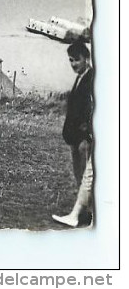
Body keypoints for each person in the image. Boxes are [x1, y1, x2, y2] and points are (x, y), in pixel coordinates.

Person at [52, 39, 94, 227]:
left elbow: (91, 109)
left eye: (76, 60)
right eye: (70, 60)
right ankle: (86, 212)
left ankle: (84, 213)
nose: (73, 64)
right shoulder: (81, 77)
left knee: (87, 175)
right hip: (75, 137)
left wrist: (87, 135)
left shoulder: (92, 78)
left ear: (86, 58)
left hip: (84, 138)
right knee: (80, 174)